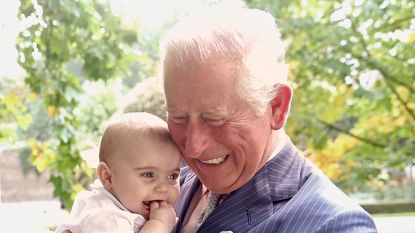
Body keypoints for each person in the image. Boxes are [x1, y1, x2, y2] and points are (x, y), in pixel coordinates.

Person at [159, 3, 378, 233]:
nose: (193, 148)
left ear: (276, 107)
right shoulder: (158, 183)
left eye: (215, 118)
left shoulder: (335, 225)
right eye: (178, 116)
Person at [55, 112, 181, 233]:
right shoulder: (105, 216)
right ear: (108, 177)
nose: (163, 188)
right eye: (148, 174)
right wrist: (159, 225)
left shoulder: (123, 207)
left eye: (172, 176)